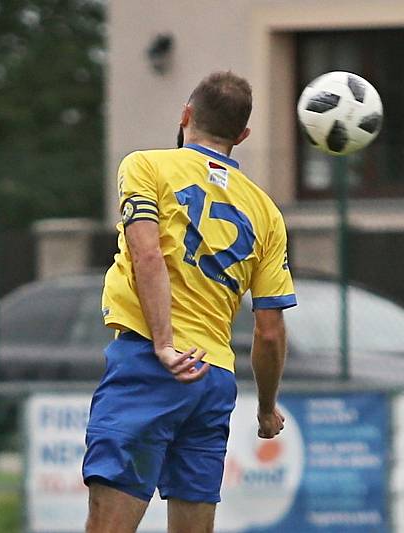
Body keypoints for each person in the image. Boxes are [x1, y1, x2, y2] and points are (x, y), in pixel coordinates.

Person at [82, 71, 296, 533]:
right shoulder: (267, 212)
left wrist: (163, 344)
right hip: (213, 379)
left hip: (152, 365)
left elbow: (147, 254)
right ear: (242, 136)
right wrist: (265, 406)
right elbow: (271, 331)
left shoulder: (145, 166)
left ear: (185, 115)